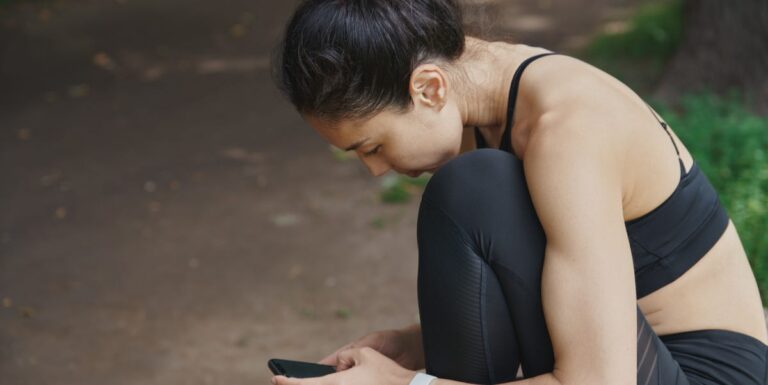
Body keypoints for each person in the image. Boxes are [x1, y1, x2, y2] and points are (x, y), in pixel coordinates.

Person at [269, 1, 768, 384]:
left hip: (704, 374)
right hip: (638, 354)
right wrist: (412, 347)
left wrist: (410, 383)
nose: (376, 171)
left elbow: (600, 380)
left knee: (471, 192)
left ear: (430, 88)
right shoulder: (485, 112)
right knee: (473, 193)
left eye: (372, 146)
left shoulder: (568, 129)